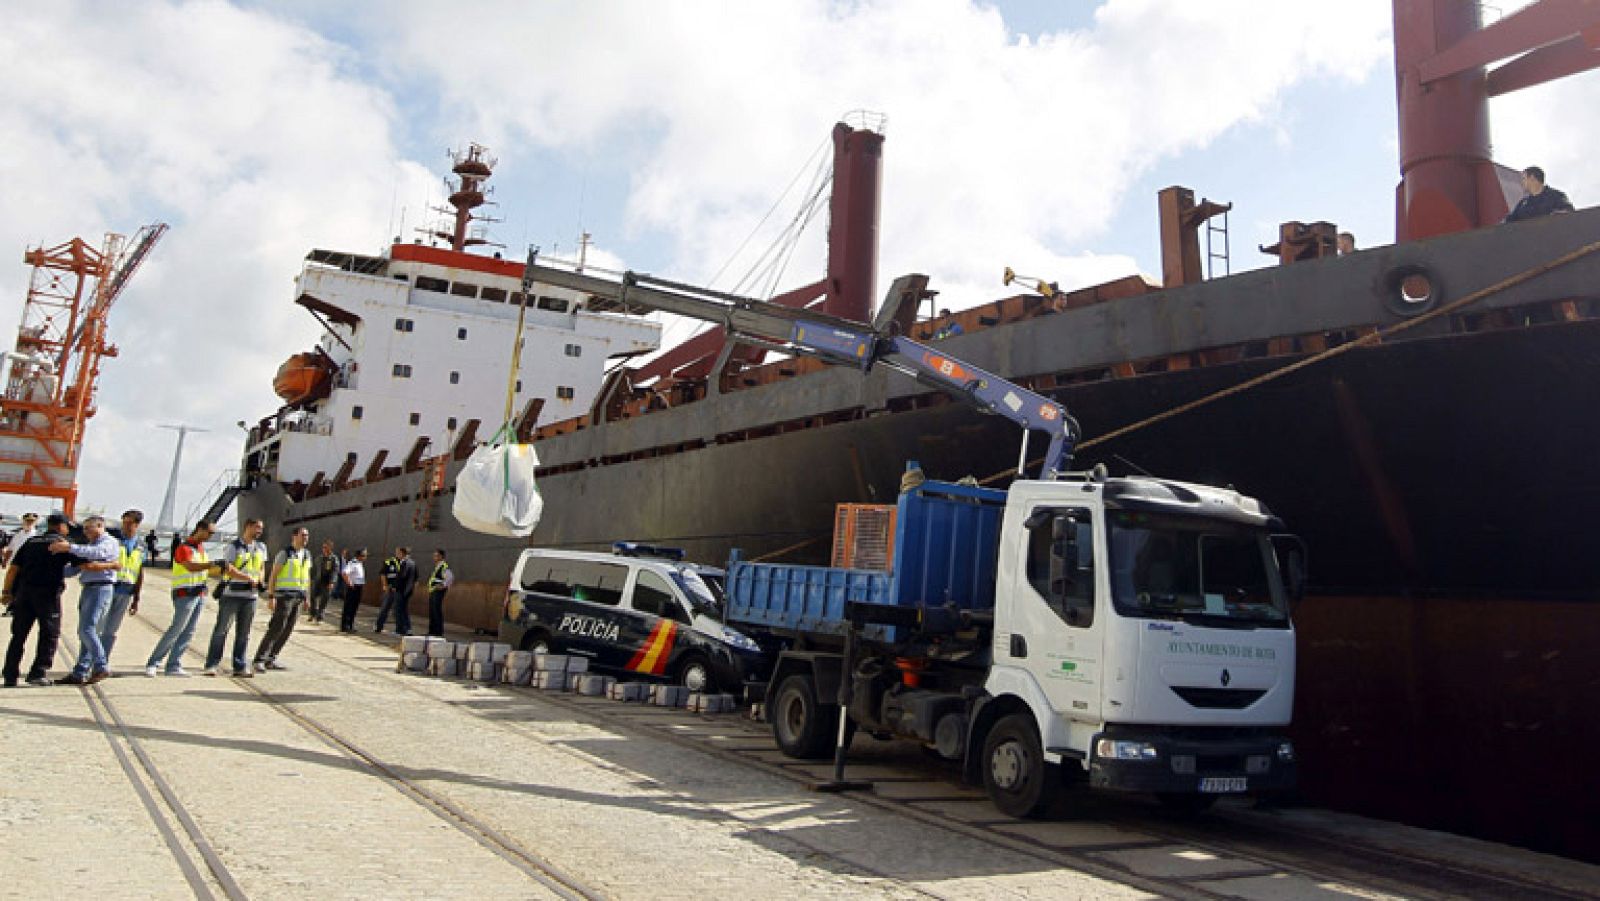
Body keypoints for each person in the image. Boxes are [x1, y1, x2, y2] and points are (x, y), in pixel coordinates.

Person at [3, 513, 74, 687]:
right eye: (67, 527)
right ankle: (38, 672)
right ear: (60, 527)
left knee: (18, 635)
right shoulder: (61, 545)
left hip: (24, 594)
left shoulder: (31, 542)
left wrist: (6, 591)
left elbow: (13, 569)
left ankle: (10, 675)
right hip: (48, 595)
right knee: (49, 634)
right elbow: (83, 564)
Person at [50, 514, 121, 685]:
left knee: (87, 630)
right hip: (89, 588)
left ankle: (101, 665)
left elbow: (97, 553)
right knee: (87, 633)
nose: (85, 531)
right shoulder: (89, 545)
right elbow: (76, 568)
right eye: (84, 528)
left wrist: (69, 547)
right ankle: (80, 671)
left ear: (99, 526)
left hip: (100, 588)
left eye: (88, 528)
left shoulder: (108, 542)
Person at [146, 520, 217, 677]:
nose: (211, 536)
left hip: (199, 593)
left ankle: (173, 664)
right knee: (176, 629)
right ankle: (153, 663)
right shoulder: (184, 548)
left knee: (189, 631)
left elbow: (202, 570)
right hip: (185, 593)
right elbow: (190, 566)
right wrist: (211, 565)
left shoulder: (201, 549)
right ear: (200, 529)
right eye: (209, 533)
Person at [204, 518, 267, 677]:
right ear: (247, 527)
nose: (259, 531)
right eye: (257, 528)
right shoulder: (233, 547)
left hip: (251, 597)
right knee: (221, 630)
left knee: (244, 634)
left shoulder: (261, 547)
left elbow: (261, 567)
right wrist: (248, 579)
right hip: (232, 594)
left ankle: (239, 666)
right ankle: (211, 664)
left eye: (261, 528)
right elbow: (228, 569)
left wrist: (260, 580)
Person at [254, 526, 311, 671]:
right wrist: (271, 596)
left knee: (288, 630)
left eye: (307, 536)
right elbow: (273, 575)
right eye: (303, 535)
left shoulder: (306, 555)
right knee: (276, 628)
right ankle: (260, 659)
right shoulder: (285, 553)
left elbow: (307, 578)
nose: (305, 538)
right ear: (294, 536)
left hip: (298, 597)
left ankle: (271, 658)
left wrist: (307, 598)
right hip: (284, 597)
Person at [97, 509, 147, 665]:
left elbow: (139, 571)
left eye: (129, 523)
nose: (125, 526)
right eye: (123, 523)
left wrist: (136, 598)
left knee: (111, 630)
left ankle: (103, 661)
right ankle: (92, 660)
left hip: (126, 591)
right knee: (98, 627)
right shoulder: (113, 541)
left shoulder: (141, 546)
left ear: (137, 525)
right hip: (108, 587)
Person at [1, 512, 40, 616]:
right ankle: (11, 608)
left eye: (31, 521)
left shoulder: (37, 536)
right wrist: (5, 561)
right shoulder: (18, 535)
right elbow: (10, 549)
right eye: (27, 521)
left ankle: (22, 608)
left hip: (29, 566)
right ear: (23, 521)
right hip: (15, 565)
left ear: (35, 522)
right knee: (13, 586)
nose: (29, 523)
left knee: (24, 587)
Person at [1504, 166, 1575, 223]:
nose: (1522, 182)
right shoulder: (1523, 203)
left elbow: (1569, 212)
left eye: (1524, 178)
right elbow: (1509, 221)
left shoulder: (1556, 196)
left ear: (1532, 178)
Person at [374, 546, 417, 635]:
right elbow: (383, 574)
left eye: (398, 552)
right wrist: (385, 586)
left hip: (399, 590)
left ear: (402, 553)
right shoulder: (389, 562)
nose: (396, 554)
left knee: (399, 610)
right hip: (390, 589)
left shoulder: (405, 563)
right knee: (385, 608)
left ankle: (401, 629)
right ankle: (379, 626)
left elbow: (406, 577)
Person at [308, 539, 339, 624]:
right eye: (323, 547)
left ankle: (319, 617)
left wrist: (332, 582)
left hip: (327, 582)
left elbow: (335, 571)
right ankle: (312, 614)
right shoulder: (319, 558)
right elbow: (313, 569)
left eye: (326, 547)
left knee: (324, 600)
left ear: (330, 548)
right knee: (313, 598)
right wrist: (311, 579)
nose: (324, 549)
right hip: (317, 581)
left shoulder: (333, 559)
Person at [425, 548, 454, 637]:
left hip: (438, 591)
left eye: (436, 555)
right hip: (433, 590)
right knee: (432, 611)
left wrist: (442, 585)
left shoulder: (444, 566)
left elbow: (450, 577)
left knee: (436, 610)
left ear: (441, 556)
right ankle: (432, 631)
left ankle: (438, 632)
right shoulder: (437, 566)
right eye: (434, 555)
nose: (434, 557)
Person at [338, 548, 367, 632]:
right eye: (364, 555)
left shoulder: (359, 563)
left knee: (354, 607)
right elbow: (344, 573)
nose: (365, 557)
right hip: (353, 588)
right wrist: (349, 583)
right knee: (349, 607)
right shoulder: (353, 563)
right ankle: (345, 626)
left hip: (359, 587)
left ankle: (350, 625)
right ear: (359, 556)